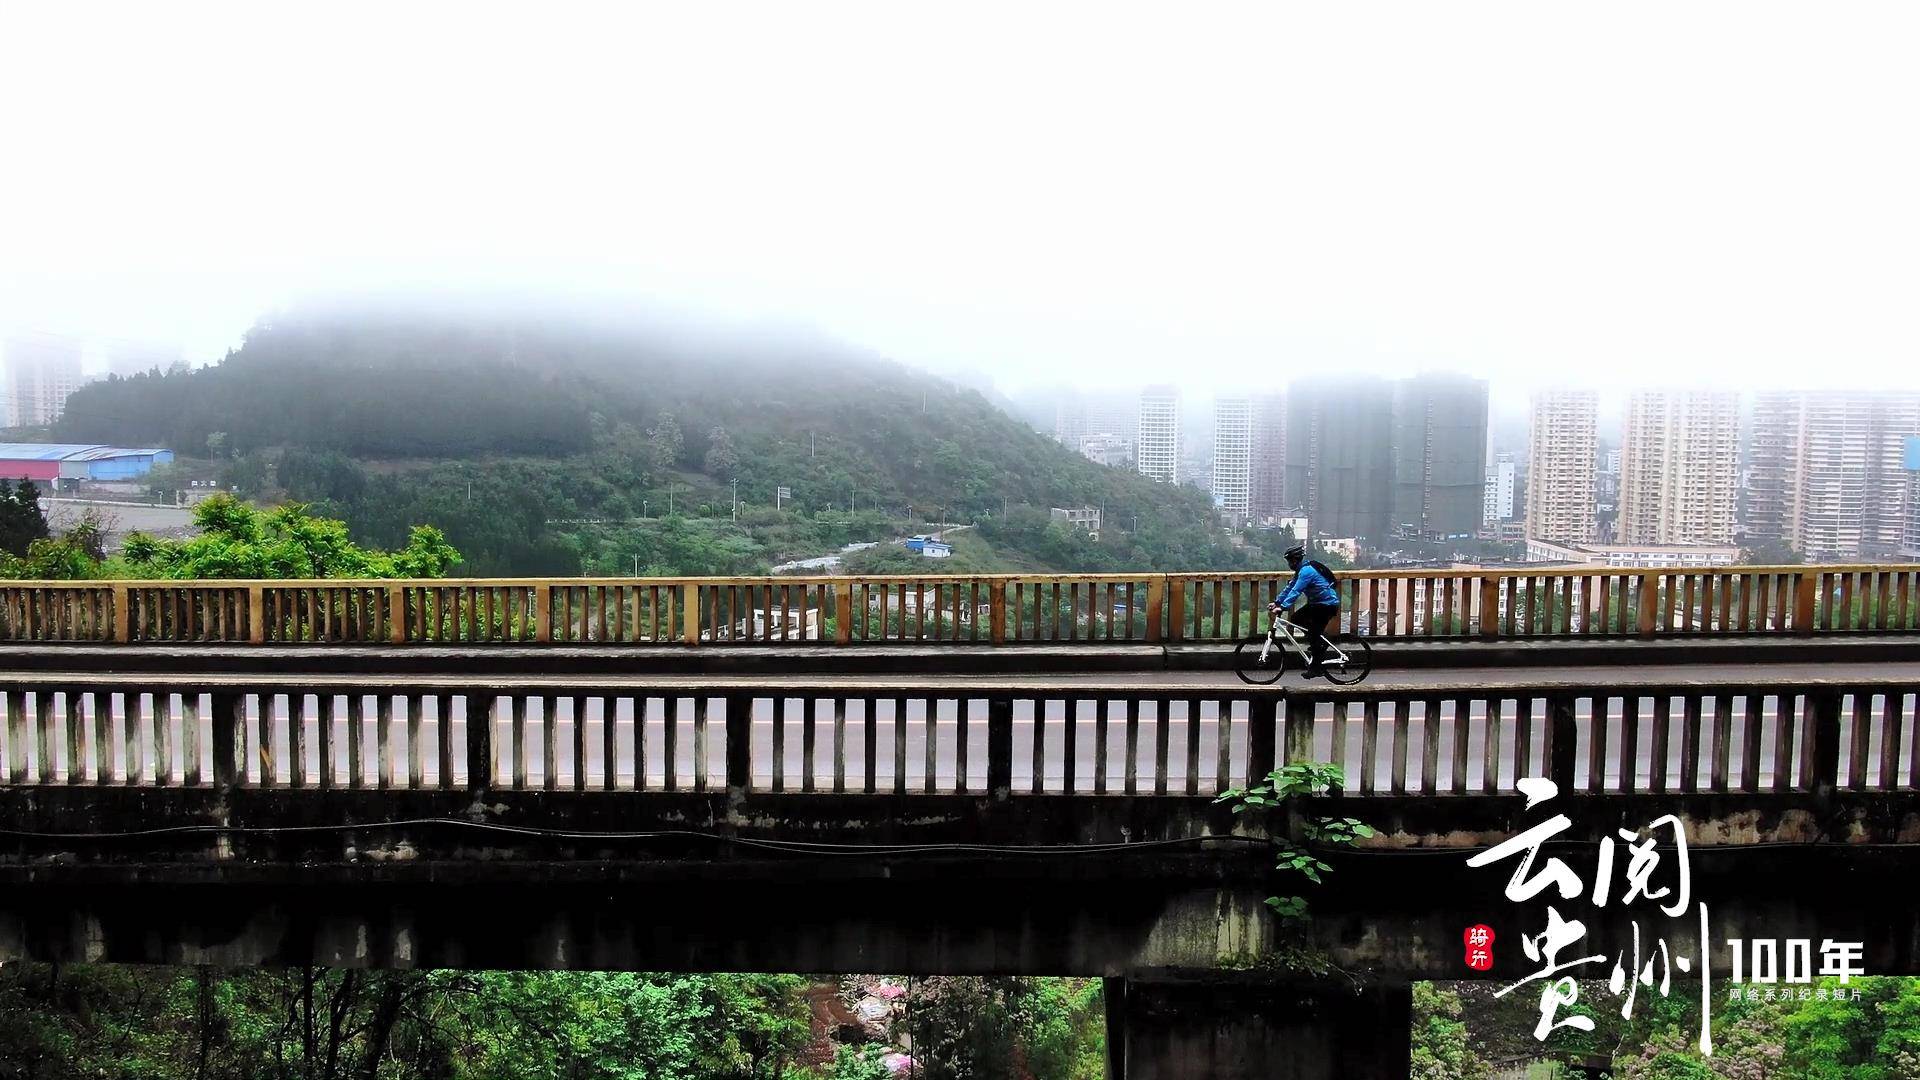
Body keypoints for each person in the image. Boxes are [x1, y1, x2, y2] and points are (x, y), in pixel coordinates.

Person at [1270, 544, 1341, 678]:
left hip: (1327, 605)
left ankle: (1316, 667)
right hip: (1317, 604)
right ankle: (1318, 641)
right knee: (1296, 618)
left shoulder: (1306, 572)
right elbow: (1289, 588)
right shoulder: (1300, 571)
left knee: (1314, 634)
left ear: (1296, 560)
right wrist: (1277, 602)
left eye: (1290, 561)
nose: (1289, 564)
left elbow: (1296, 591)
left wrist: (1284, 606)